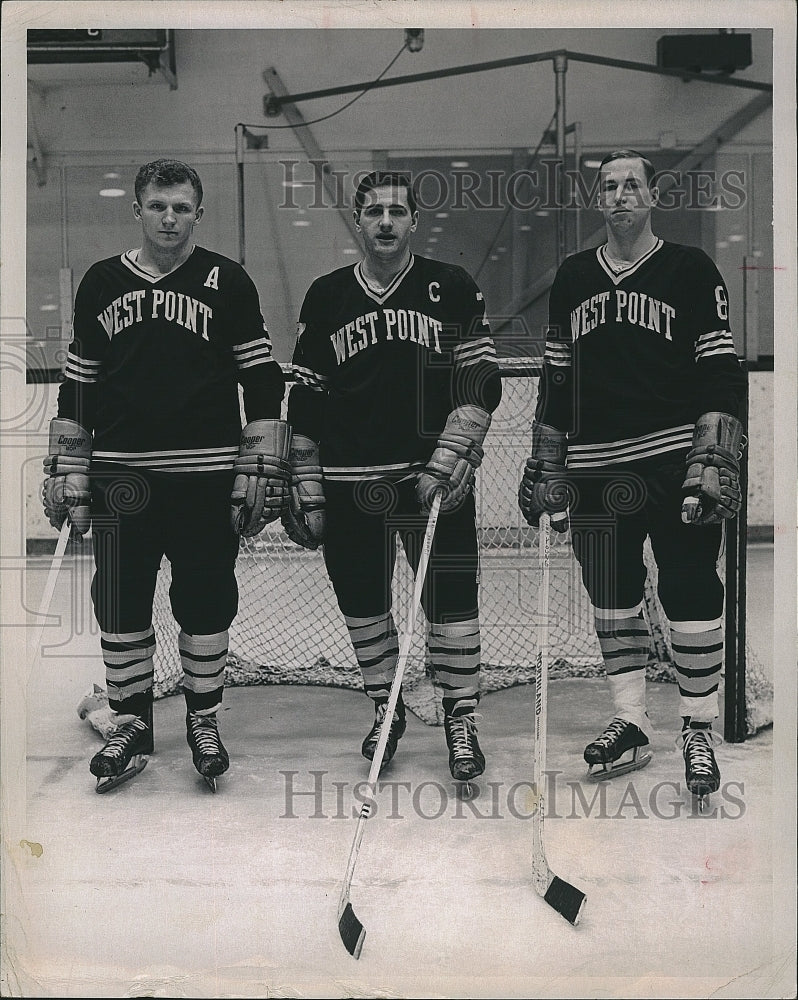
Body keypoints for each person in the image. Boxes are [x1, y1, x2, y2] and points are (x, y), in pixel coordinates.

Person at [42, 159, 288, 792]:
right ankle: (129, 721)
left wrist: (258, 456)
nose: (170, 218)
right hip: (122, 474)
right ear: (138, 210)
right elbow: (79, 384)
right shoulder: (101, 282)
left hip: (205, 472)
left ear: (198, 214)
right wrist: (69, 461)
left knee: (204, 598)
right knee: (119, 598)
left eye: (182, 207)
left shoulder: (227, 280)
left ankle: (203, 718)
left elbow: (261, 378)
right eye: (158, 206)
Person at [519, 149, 746, 810]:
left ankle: (697, 727)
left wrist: (712, 454)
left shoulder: (688, 269)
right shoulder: (572, 278)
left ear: (651, 198)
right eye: (609, 187)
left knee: (690, 586)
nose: (620, 196)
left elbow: (720, 369)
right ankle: (632, 721)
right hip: (594, 468)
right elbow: (556, 377)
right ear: (601, 201)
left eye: (631, 186)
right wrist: (548, 461)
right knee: (612, 596)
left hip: (673, 459)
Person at [283, 170, 502, 784]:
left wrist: (455, 449)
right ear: (359, 219)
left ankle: (461, 717)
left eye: (396, 212)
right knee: (362, 602)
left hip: (429, 478)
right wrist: (304, 471)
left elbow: (481, 379)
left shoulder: (450, 286)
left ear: (414, 221)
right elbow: (308, 393)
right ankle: (388, 704)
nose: (385, 221)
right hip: (350, 478)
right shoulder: (327, 296)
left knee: (452, 601)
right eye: (374, 211)